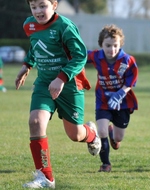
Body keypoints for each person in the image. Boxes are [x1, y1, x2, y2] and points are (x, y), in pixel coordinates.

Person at [15, 0, 101, 188]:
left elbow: (80, 56)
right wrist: (27, 65)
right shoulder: (29, 25)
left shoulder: (65, 26)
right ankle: (45, 177)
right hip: (44, 83)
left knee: (75, 134)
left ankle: (92, 134)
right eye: (34, 7)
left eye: (42, 5)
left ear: (54, 5)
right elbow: (35, 46)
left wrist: (61, 78)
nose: (38, 11)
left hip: (69, 85)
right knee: (35, 122)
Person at [87, 24, 138, 172]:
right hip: (103, 100)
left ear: (120, 44)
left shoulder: (127, 60)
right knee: (101, 131)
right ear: (101, 44)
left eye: (115, 45)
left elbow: (132, 78)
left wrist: (121, 93)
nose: (112, 49)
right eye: (108, 45)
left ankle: (113, 134)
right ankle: (105, 164)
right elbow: (80, 55)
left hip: (122, 103)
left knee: (118, 138)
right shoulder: (97, 56)